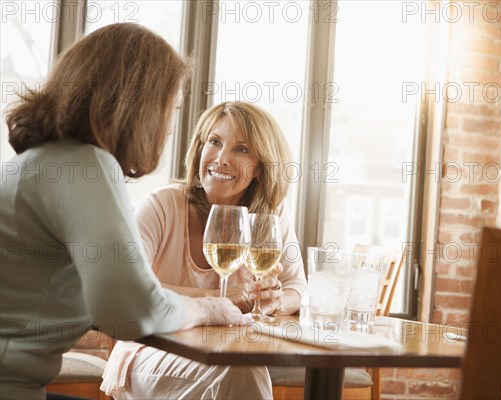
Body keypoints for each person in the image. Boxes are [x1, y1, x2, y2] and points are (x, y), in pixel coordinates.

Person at [0, 24, 246, 400]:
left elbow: (101, 302)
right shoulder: (85, 166)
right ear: (138, 106)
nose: (167, 128)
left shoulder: (49, 160)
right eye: (172, 109)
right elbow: (130, 310)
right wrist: (210, 308)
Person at [101, 101, 307, 399]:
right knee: (241, 371)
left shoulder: (269, 215)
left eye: (242, 149)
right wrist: (225, 301)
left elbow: (297, 288)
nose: (221, 158)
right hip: (151, 351)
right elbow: (128, 289)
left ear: (261, 169)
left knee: (239, 368)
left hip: (226, 353)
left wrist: (271, 300)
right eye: (214, 141)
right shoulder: (162, 205)